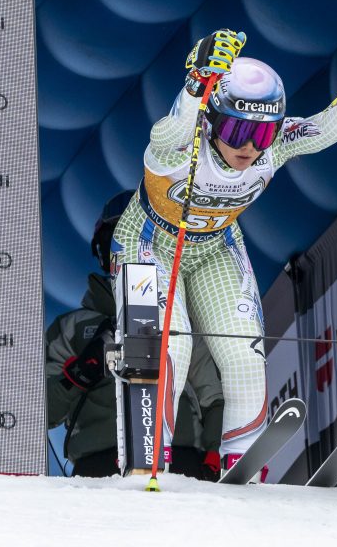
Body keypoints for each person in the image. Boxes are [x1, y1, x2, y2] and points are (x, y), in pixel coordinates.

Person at [110, 28, 337, 470]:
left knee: (245, 356)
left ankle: (242, 467)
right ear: (211, 121)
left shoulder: (272, 148)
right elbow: (172, 129)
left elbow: (322, 128)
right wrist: (196, 84)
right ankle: (146, 463)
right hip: (150, 243)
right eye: (237, 129)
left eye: (261, 134)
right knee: (170, 348)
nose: (249, 146)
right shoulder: (180, 143)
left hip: (216, 248)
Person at [46, 189, 224, 479]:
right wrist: (80, 373)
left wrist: (215, 453)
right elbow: (43, 414)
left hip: (181, 459)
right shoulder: (71, 328)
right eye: (119, 242)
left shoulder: (182, 321)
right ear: (104, 254)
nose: (132, 252)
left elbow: (212, 396)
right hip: (100, 465)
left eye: (145, 243)